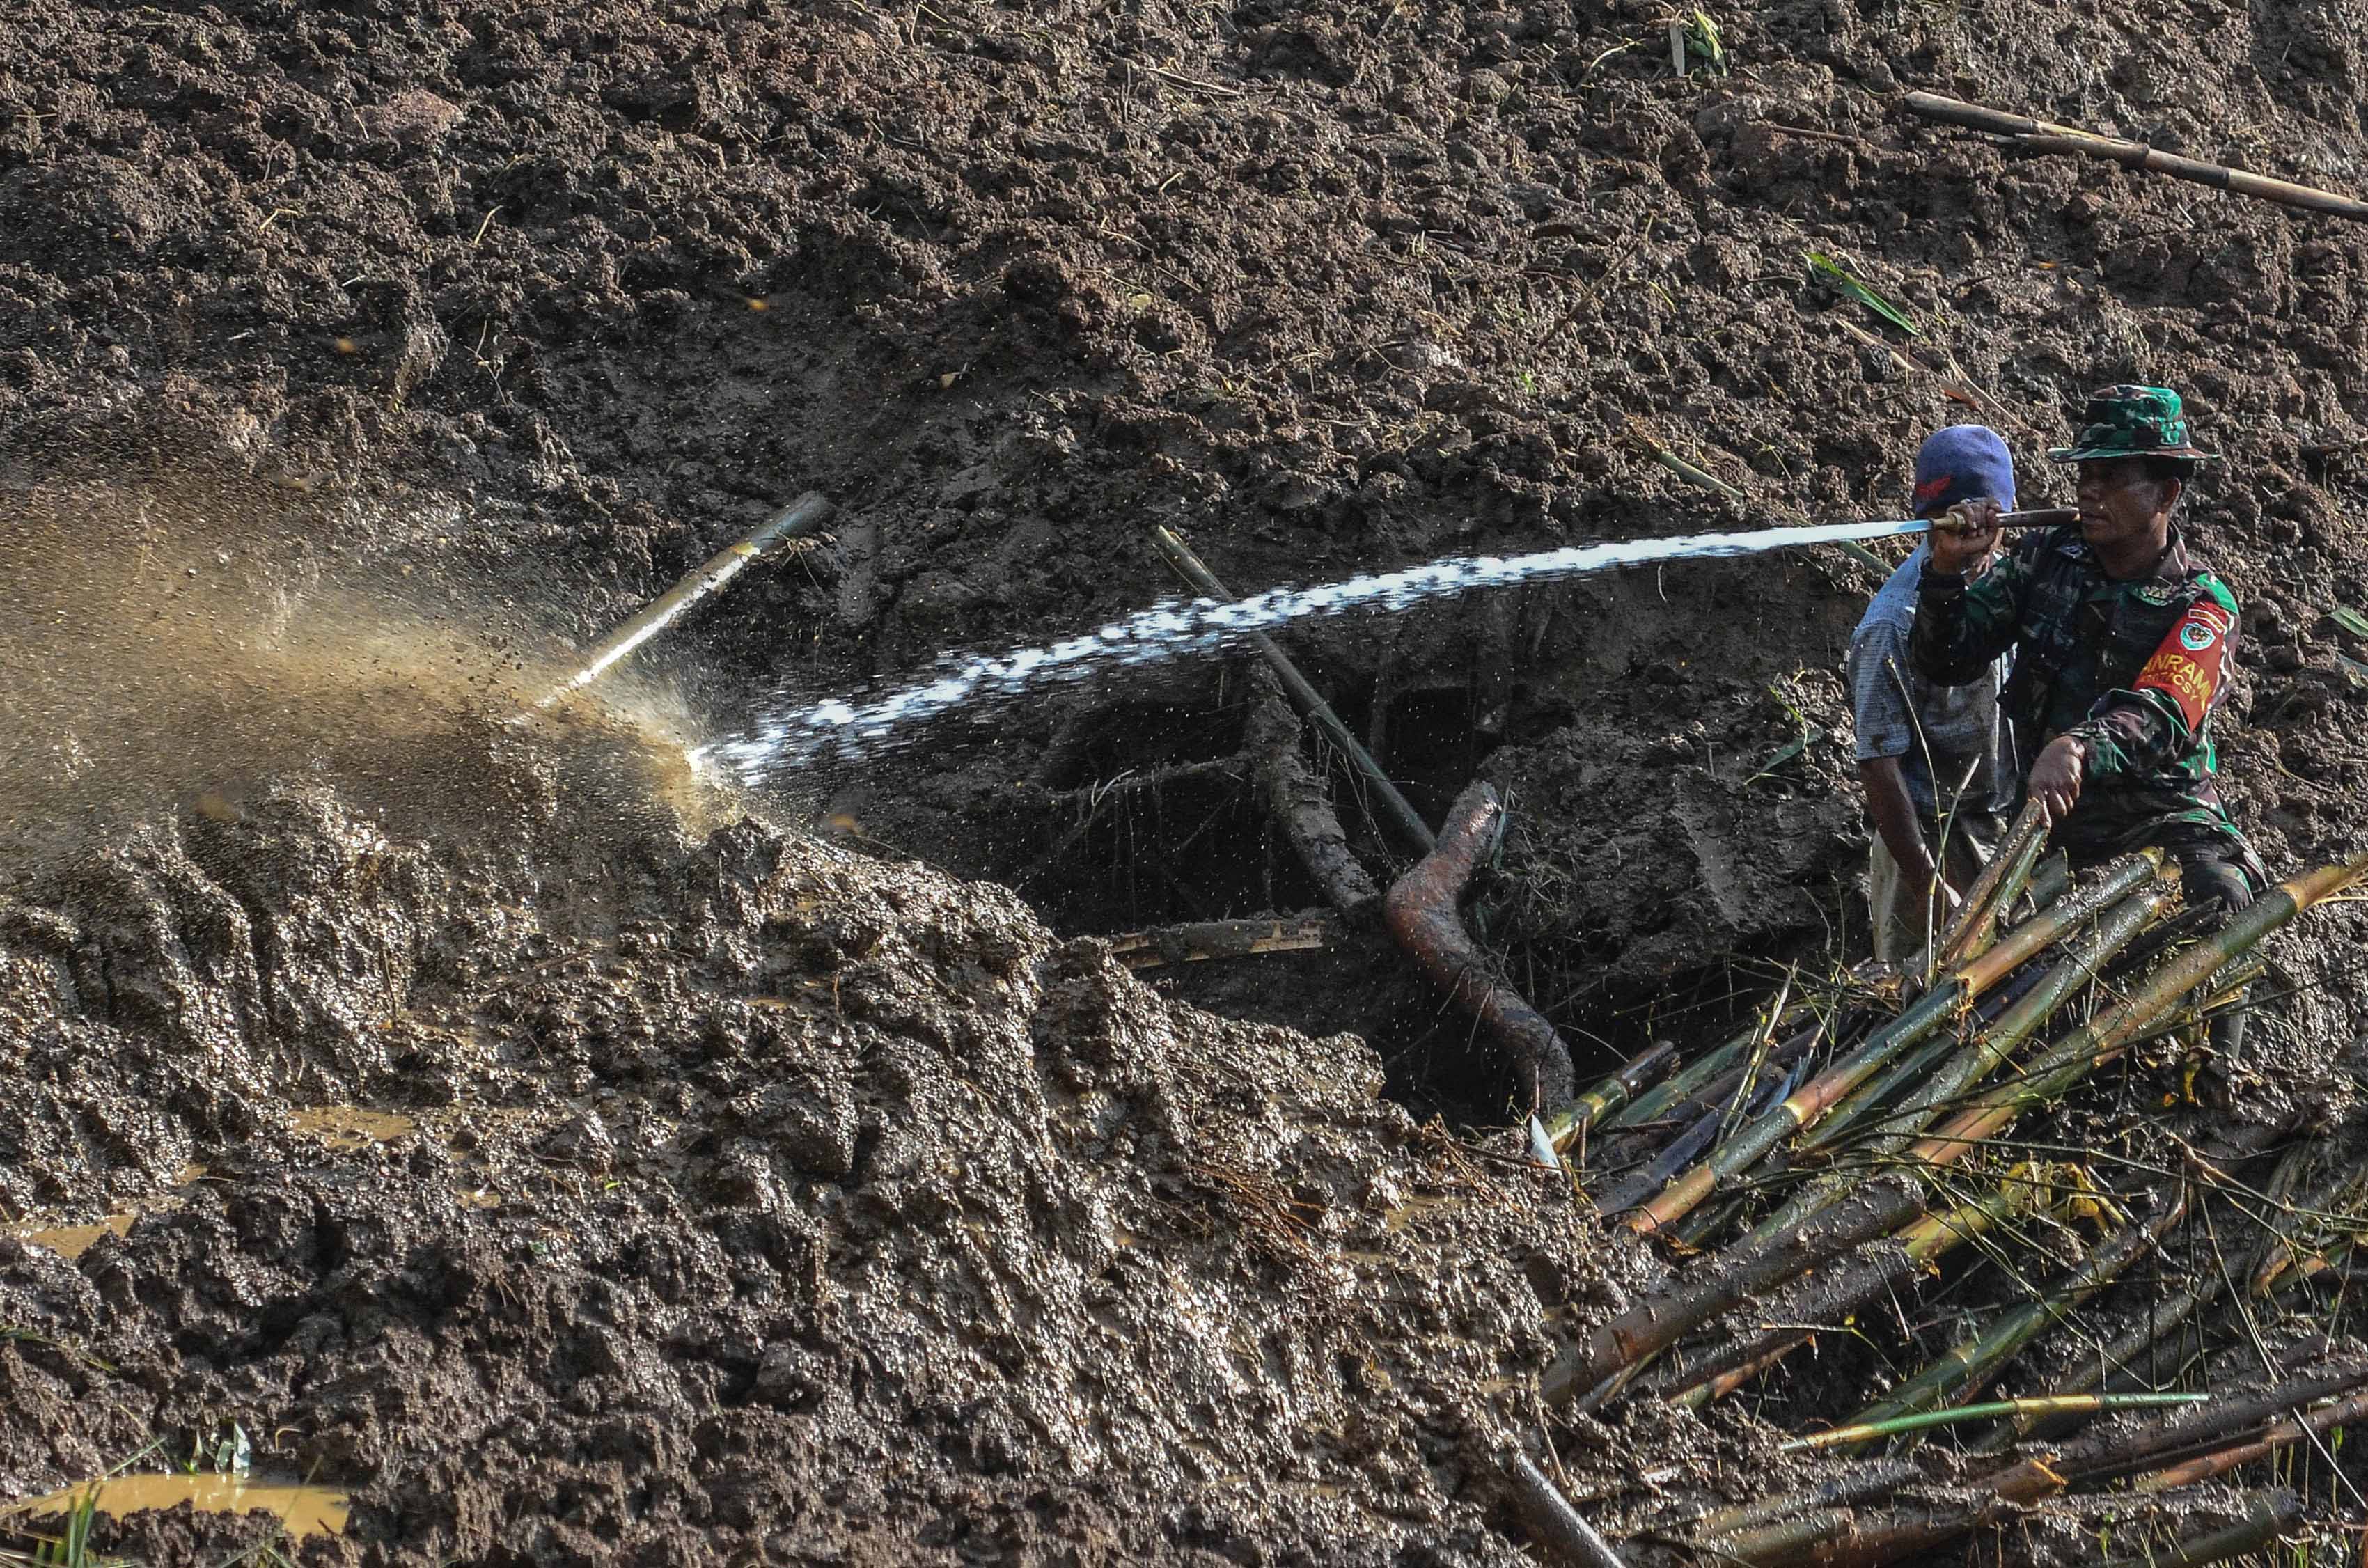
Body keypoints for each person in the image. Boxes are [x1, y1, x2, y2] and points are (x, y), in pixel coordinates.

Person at [1913, 384, 2265, 1049]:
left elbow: (2161, 711)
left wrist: (2077, 745)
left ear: (2165, 493)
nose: (2088, 493)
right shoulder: (2049, 558)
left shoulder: (2200, 606)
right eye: (2083, 475)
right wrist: (1945, 573)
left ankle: (2219, 1071)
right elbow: (1948, 660)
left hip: (2159, 819)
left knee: (2222, 894)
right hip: (2051, 829)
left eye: (2110, 477)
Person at [1846, 425, 2021, 966]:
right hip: (1930, 842)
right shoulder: (1892, 624)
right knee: (1920, 992)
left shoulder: (2012, 584)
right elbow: (1878, 764)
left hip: (2004, 826)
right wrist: (1931, 888)